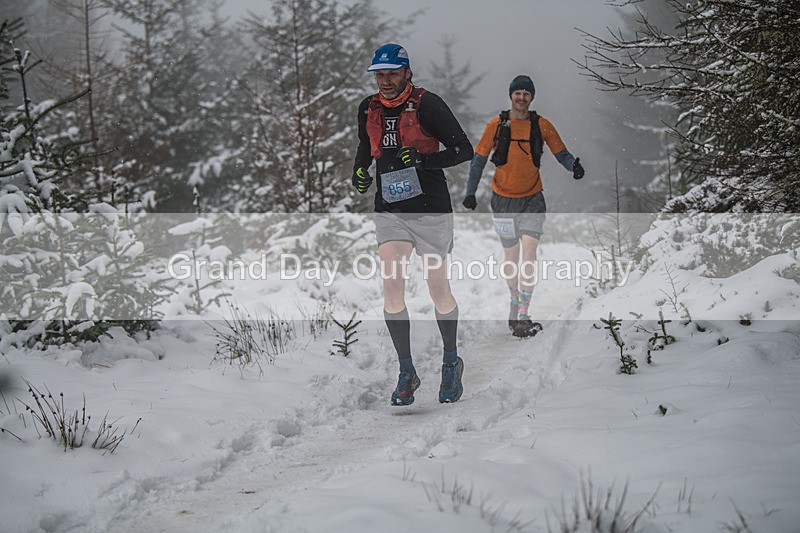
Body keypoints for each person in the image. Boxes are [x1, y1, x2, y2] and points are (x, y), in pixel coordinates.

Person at [352, 43, 474, 406]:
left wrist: (423, 159)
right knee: (392, 285)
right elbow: (364, 145)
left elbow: (463, 150)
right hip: (389, 209)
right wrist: (359, 171)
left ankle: (451, 361)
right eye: (379, 74)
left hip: (430, 209)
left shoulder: (428, 104)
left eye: (391, 73)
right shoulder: (368, 108)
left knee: (437, 288)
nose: (384, 81)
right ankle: (406, 371)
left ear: (407, 71)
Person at [462, 74, 584, 338]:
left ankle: (523, 315)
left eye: (526, 94)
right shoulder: (496, 126)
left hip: (532, 198)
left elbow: (559, 151)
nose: (521, 97)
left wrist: (573, 165)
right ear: (510, 96)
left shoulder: (541, 125)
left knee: (529, 254)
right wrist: (470, 193)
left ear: (531, 97)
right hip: (502, 199)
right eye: (517, 93)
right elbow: (478, 160)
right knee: (511, 257)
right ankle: (514, 300)